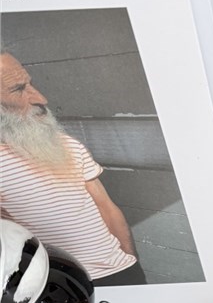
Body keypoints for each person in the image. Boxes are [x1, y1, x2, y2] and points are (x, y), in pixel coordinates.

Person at [0, 51, 146, 286]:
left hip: (121, 272)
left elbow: (107, 208)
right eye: (18, 89)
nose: (41, 99)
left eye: (30, 84)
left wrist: (131, 261)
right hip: (59, 286)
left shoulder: (66, 144)